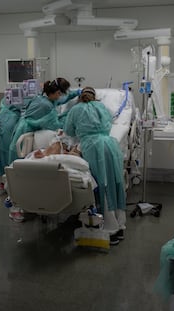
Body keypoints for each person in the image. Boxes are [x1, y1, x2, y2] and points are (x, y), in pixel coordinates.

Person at [64, 86, 127, 245]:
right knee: (115, 183)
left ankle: (109, 229)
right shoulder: (102, 107)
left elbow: (69, 131)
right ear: (95, 97)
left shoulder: (76, 109)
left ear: (80, 97)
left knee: (102, 186)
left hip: (92, 147)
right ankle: (119, 224)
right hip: (110, 146)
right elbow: (108, 125)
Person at [8, 77, 80, 163]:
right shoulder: (46, 105)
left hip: (25, 126)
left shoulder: (43, 97)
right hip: (25, 130)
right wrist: (71, 113)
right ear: (58, 92)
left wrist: (76, 93)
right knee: (21, 161)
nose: (60, 97)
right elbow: (55, 124)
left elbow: (61, 100)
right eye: (60, 94)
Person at [0, 97, 21, 176]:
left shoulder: (5, 101)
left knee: (3, 153)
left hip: (2, 127)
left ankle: (5, 177)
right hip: (9, 128)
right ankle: (9, 177)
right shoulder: (21, 100)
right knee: (8, 154)